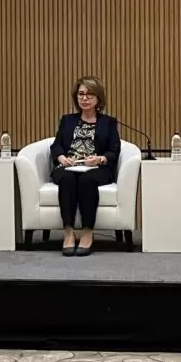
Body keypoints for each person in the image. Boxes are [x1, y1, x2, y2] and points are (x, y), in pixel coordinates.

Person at [50, 76, 120, 257]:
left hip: (97, 169)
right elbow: (56, 146)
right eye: (81, 94)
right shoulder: (67, 120)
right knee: (67, 179)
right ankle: (68, 232)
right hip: (68, 166)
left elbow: (114, 150)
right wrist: (61, 158)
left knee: (87, 180)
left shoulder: (108, 122)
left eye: (90, 94)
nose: (85, 98)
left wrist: (99, 159)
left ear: (98, 98)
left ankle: (87, 232)